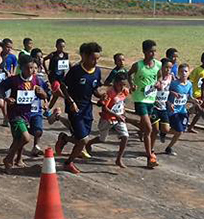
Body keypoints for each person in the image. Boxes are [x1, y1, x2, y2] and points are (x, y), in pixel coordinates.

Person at [54, 42, 103, 174]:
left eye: (97, 59)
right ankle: (68, 163)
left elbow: (94, 89)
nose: (95, 62)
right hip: (74, 109)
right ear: (84, 56)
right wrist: (70, 102)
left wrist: (101, 97)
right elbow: (63, 86)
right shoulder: (76, 71)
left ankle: (64, 138)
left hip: (87, 109)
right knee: (83, 140)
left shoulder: (97, 71)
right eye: (93, 58)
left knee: (80, 139)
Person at [0, 55, 47, 171]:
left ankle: (12, 160)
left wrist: (43, 94)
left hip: (27, 113)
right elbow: (0, 88)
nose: (31, 71)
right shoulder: (14, 80)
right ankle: (9, 158)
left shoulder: (36, 80)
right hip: (15, 113)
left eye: (32, 68)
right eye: (28, 68)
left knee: (18, 139)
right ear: (21, 68)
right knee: (26, 138)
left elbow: (45, 95)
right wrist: (6, 99)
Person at [86, 71, 131, 168]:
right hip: (107, 118)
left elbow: (122, 103)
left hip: (119, 118)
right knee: (102, 139)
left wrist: (123, 114)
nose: (122, 87)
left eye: (124, 84)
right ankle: (89, 143)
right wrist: (115, 115)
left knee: (125, 136)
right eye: (120, 84)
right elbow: (104, 108)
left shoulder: (125, 91)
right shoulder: (110, 92)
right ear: (115, 82)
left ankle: (119, 159)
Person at [128, 40, 161, 169]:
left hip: (151, 100)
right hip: (140, 99)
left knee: (155, 130)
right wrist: (132, 84)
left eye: (154, 51)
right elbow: (128, 74)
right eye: (150, 51)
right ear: (144, 52)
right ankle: (149, 158)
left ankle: (150, 149)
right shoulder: (138, 65)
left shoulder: (158, 64)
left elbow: (159, 76)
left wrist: (158, 83)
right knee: (148, 128)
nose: (153, 54)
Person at [165, 63, 203, 156]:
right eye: (181, 71)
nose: (184, 73)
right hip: (173, 111)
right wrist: (169, 102)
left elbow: (189, 97)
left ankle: (169, 147)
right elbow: (165, 93)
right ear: (178, 73)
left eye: (186, 71)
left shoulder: (189, 84)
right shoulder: (174, 84)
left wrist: (196, 101)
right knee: (179, 131)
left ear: (189, 72)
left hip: (183, 111)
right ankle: (162, 131)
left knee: (181, 131)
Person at [27, 55, 50, 157]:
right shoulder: (23, 80)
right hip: (25, 111)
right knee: (24, 135)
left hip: (36, 110)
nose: (34, 70)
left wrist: (45, 101)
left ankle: (35, 146)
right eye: (31, 68)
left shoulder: (40, 81)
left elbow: (45, 94)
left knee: (38, 131)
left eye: (36, 68)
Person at [187, 51, 204, 133]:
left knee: (198, 112)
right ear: (202, 60)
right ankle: (185, 122)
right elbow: (190, 81)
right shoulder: (197, 70)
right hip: (196, 94)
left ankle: (190, 126)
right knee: (199, 111)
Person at [152, 58, 173, 143]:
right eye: (166, 67)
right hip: (153, 106)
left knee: (166, 129)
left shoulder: (170, 77)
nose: (168, 70)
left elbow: (167, 90)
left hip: (163, 106)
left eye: (170, 68)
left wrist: (169, 102)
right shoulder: (155, 78)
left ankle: (142, 129)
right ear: (160, 68)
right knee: (155, 130)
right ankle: (150, 149)